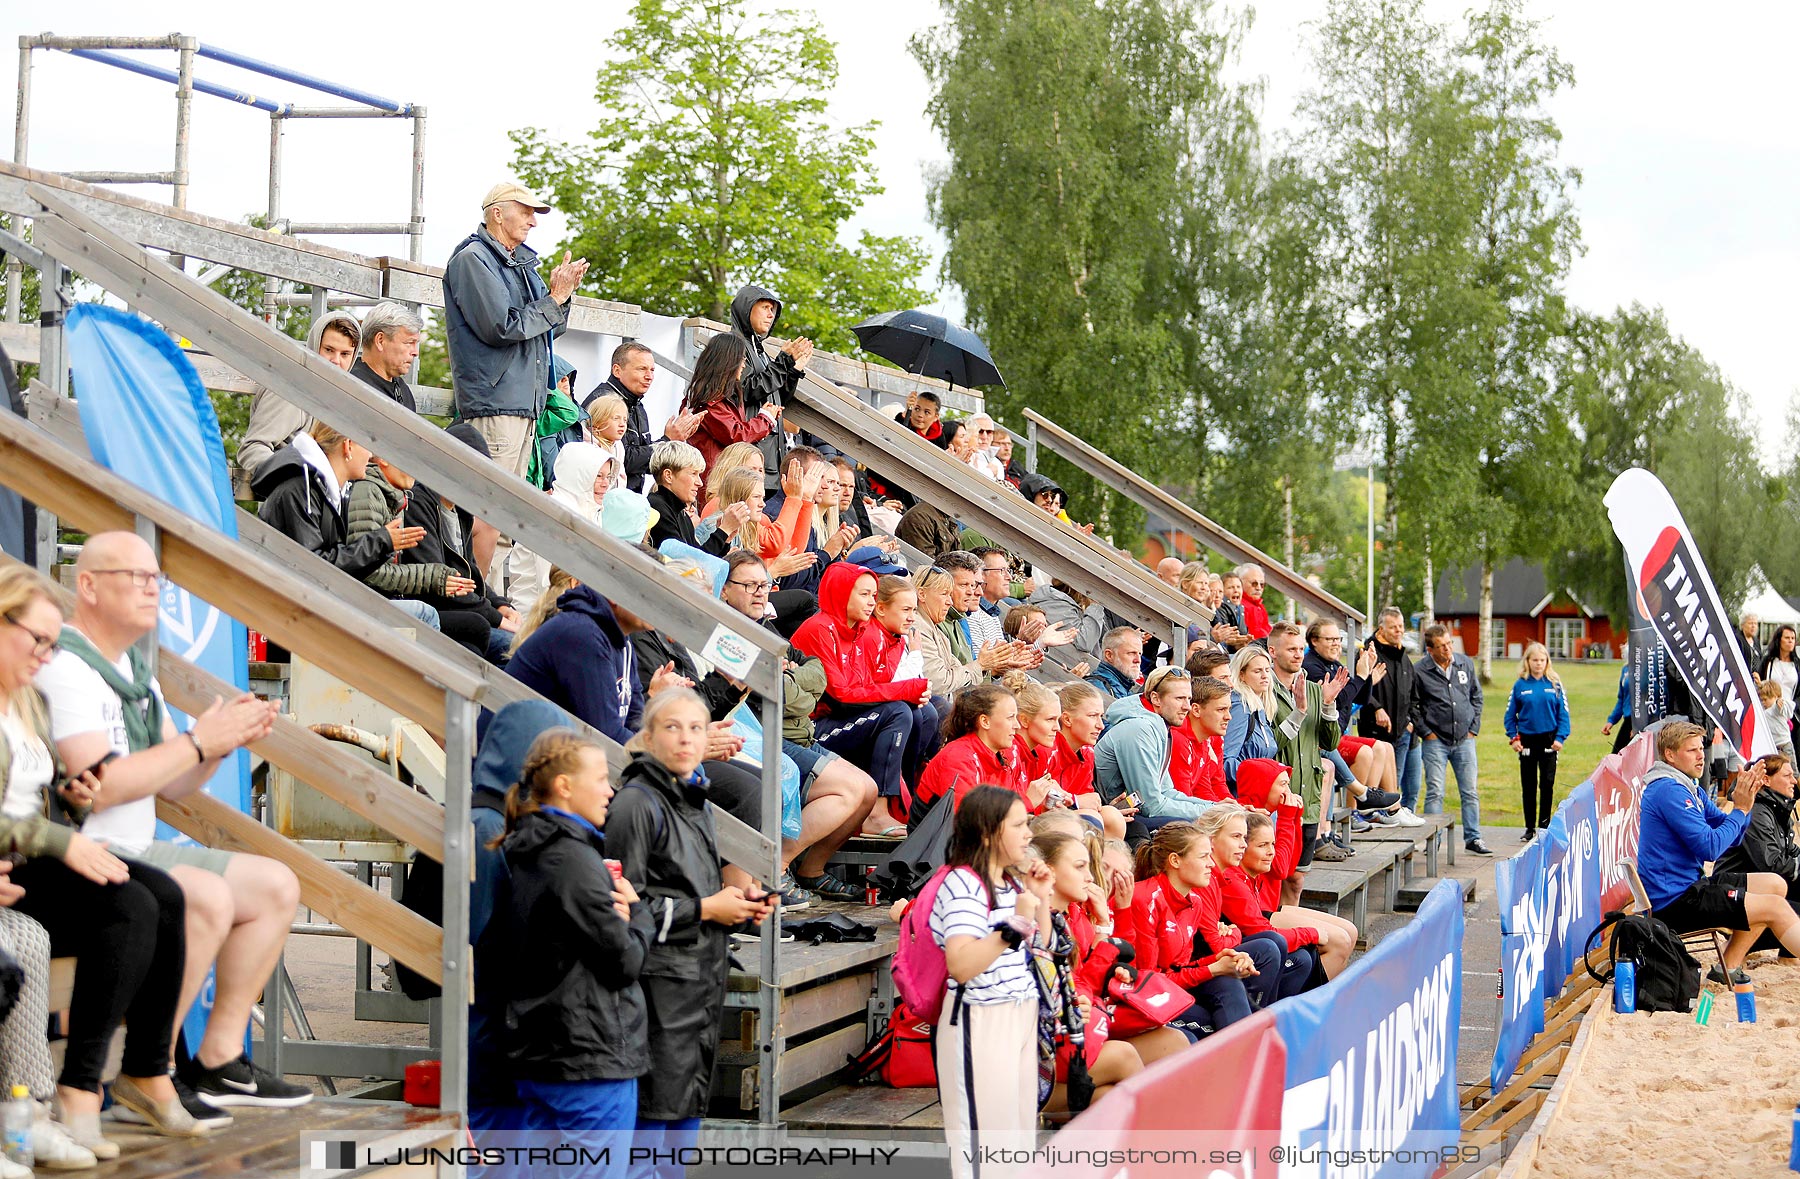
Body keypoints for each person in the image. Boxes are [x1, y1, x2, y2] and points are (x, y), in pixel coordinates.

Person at [31, 534, 310, 1119]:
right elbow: (99, 784)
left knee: (276, 885)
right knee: (201, 894)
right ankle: (148, 1068)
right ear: (88, 585)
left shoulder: (135, 668)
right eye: (136, 576)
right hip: (88, 851)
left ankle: (214, 1059)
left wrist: (216, 746)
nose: (153, 587)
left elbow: (174, 784)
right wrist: (196, 742)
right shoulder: (65, 666)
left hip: (141, 845)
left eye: (156, 577)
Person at [0, 563, 196, 1162]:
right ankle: (78, 1088)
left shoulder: (28, 702)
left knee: (165, 894)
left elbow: (36, 793)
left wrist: (72, 799)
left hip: (24, 858)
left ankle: (143, 1069)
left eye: (53, 645)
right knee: (129, 903)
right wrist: (64, 842)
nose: (45, 655)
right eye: (37, 640)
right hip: (20, 859)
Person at [607, 690, 776, 1170]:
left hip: (699, 981)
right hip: (657, 987)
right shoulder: (635, 804)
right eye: (673, 727)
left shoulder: (695, 800)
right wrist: (706, 908)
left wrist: (740, 908)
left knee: (681, 1124)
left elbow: (694, 892)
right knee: (650, 1127)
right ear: (649, 735)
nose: (685, 739)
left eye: (697, 728)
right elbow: (622, 906)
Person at [490, 729, 649, 1174]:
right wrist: (639, 914)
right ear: (564, 785)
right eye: (600, 778)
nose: (610, 789)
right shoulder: (573, 860)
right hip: (588, 1059)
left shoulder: (521, 846)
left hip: (543, 1051)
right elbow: (625, 962)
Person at [705, 552, 878, 898]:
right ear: (724, 590)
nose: (759, 592)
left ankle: (811, 871)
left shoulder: (764, 625)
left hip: (799, 730)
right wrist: (800, 685)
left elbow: (817, 671)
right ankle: (777, 867)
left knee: (869, 790)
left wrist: (795, 681)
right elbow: (779, 695)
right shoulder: (725, 633)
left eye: (764, 584)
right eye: (749, 585)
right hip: (764, 735)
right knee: (848, 791)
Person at [932, 786, 1047, 1178]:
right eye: (1018, 825)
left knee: (1016, 1141)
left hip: (1019, 1012)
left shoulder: (1011, 883)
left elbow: (1042, 952)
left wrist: (1039, 899)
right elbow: (961, 964)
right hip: (980, 1017)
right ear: (987, 833)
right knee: (984, 1148)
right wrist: (1011, 927)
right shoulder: (962, 883)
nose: (1028, 833)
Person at [443, 183, 583, 484]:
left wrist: (564, 295)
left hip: (523, 405)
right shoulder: (473, 259)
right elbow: (502, 327)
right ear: (497, 214)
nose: (533, 221)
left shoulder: (521, 264)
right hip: (496, 405)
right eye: (526, 212)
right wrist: (554, 299)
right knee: (490, 507)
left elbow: (550, 329)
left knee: (508, 512)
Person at [1637, 722, 1800, 979]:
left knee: (1774, 884)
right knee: (1775, 907)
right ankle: (1732, 964)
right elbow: (1710, 847)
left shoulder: (1688, 786)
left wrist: (1746, 801)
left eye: (1701, 748)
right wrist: (1742, 809)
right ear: (1669, 754)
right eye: (1692, 750)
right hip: (1675, 901)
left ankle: (1728, 966)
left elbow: (1730, 834)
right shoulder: (1668, 790)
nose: (1701, 755)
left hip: (1690, 887)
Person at [792, 567, 936, 832]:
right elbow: (842, 696)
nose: (872, 601)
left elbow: (865, 687)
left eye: (873, 594)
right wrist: (906, 689)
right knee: (898, 712)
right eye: (864, 594)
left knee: (920, 712)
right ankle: (878, 812)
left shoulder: (856, 631)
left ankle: (901, 801)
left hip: (834, 719)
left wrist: (908, 690)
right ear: (842, 594)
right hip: (808, 731)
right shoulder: (821, 628)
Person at [1026, 830, 1146, 1110]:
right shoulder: (1032, 919)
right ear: (1049, 871)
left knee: (1173, 1040)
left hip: (1081, 1028)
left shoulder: (1073, 915)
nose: (1091, 877)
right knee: (1125, 1056)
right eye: (1081, 867)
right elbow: (1078, 983)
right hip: (1039, 1053)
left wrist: (1109, 923)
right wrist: (1105, 929)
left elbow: (1128, 963)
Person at [1128, 822, 1276, 1034]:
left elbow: (1180, 967)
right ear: (1175, 860)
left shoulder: (1194, 901)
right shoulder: (1144, 900)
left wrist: (1222, 960)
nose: (1211, 865)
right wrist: (1212, 968)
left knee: (1229, 980)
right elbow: (1148, 981)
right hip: (1138, 997)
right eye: (1203, 857)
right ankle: (1249, 1048)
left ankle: (1252, 1046)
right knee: (1212, 1022)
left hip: (1169, 986)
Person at [346, 455, 496, 659]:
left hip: (391, 598)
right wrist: (434, 578)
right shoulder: (369, 492)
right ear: (383, 459)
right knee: (477, 630)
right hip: (374, 603)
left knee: (475, 635)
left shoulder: (397, 496)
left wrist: (500, 604)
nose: (416, 468)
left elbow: (471, 571)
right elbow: (369, 570)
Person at [254, 421, 428, 592]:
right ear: (348, 446)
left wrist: (384, 545)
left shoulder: (331, 490)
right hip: (284, 603)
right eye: (367, 446)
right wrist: (380, 542)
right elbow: (313, 568)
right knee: (424, 614)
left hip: (308, 599)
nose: (370, 455)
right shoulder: (300, 488)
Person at [1196, 803, 1316, 1001]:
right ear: (1211, 840)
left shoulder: (1224, 876)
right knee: (1272, 946)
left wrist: (1293, 817)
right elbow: (1220, 944)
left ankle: (1283, 1014)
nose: (1242, 844)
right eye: (1237, 837)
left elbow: (1285, 866)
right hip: (1199, 967)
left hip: (1230, 946)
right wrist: (1233, 931)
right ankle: (1264, 1017)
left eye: (1243, 838)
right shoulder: (1218, 879)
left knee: (1303, 956)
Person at [1267, 622, 1353, 878]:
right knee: (1278, 878)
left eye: (1300, 649)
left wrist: (1327, 706)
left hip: (1310, 798)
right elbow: (1270, 745)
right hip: (1280, 799)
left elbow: (1330, 743)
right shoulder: (1265, 691)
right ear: (1273, 651)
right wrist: (1298, 712)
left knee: (1297, 879)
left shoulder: (1315, 689)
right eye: (1291, 649)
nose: (1297, 654)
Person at [237, 311, 360, 480]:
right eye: (329, 350)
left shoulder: (341, 398)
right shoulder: (291, 388)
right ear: (315, 346)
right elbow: (252, 449)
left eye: (345, 354)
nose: (336, 360)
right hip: (293, 501)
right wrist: (297, 485)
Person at [1096, 667, 1213, 825]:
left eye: (1188, 699)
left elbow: (1166, 792)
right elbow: (1151, 806)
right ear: (1156, 699)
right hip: (1107, 817)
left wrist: (1216, 808)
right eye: (1179, 698)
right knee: (1186, 829)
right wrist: (1213, 814)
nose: (1187, 707)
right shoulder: (1139, 729)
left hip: (1125, 814)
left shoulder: (1159, 726)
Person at [508, 442, 615, 614]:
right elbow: (550, 584)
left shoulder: (587, 508)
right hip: (537, 616)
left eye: (608, 477)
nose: (605, 484)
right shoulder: (554, 514)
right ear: (579, 475)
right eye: (598, 476)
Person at [1412, 625, 1491, 856]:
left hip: (1465, 739)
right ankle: (1433, 840)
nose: (1448, 649)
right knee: (1435, 791)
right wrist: (1426, 732)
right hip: (1435, 739)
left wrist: (1473, 728)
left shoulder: (1464, 663)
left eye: (1449, 644)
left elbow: (1476, 696)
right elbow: (1413, 705)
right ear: (1430, 649)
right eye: (1442, 646)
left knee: (1470, 791)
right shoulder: (1420, 671)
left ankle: (1473, 838)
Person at [1011, 681, 1126, 838]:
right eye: (1093, 716)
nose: (1100, 725)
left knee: (1115, 817)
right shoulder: (1042, 749)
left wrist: (1082, 802)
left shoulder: (1087, 752)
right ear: (1067, 719)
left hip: (1049, 816)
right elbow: (1030, 806)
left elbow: (1086, 800)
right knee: (1097, 819)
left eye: (1101, 716)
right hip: (1030, 824)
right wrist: (1074, 800)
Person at [583, 342, 700, 494]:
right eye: (641, 369)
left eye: (652, 370)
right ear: (617, 370)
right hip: (606, 499)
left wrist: (672, 444)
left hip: (628, 499)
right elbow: (623, 460)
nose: (649, 376)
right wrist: (666, 441)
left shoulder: (637, 404)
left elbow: (643, 462)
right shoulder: (603, 401)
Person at [730, 285, 812, 493]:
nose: (770, 314)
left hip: (771, 461)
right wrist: (782, 362)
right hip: (750, 461)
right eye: (765, 307)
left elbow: (778, 398)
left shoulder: (761, 351)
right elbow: (745, 390)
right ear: (746, 309)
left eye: (773, 310)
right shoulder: (734, 346)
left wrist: (793, 370)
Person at [909, 567, 1034, 700]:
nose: (949, 601)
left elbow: (960, 674)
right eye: (944, 594)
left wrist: (994, 666)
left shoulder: (935, 626)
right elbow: (938, 682)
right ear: (922, 594)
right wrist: (981, 665)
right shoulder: (918, 627)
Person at [913, 685, 1029, 824]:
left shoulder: (1001, 756)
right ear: (985, 721)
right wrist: (1027, 801)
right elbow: (968, 824)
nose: (1017, 725)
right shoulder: (958, 758)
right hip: (937, 843)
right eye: (1010, 717)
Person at [682, 333, 779, 483]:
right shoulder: (708, 402)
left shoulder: (724, 396)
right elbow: (737, 436)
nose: (744, 365)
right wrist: (765, 419)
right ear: (728, 361)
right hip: (713, 482)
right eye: (741, 359)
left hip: (724, 479)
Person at [1503, 642, 1571, 843]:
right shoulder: (1520, 685)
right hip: (1527, 740)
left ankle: (1544, 826)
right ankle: (1530, 827)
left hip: (1549, 739)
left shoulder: (1555, 684)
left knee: (1547, 783)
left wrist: (1560, 738)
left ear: (1547, 662)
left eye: (1542, 660)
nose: (1538, 664)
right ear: (1528, 661)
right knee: (1529, 784)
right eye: (1535, 660)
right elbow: (1510, 716)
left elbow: (1563, 715)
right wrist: (1514, 738)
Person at [1360, 607, 1420, 808]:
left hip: (1403, 730)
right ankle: (1380, 815)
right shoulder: (1369, 653)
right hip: (1377, 732)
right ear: (1381, 629)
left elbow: (1414, 695)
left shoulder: (1404, 657)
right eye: (1393, 627)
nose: (1399, 631)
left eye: (1401, 626)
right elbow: (1359, 686)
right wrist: (1376, 708)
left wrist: (1411, 722)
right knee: (1380, 785)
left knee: (1403, 783)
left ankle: (1398, 813)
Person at [647, 440, 732, 558]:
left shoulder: (683, 515)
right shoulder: (656, 508)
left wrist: (725, 539)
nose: (700, 483)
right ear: (668, 476)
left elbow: (701, 557)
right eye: (693, 474)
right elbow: (688, 562)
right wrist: (724, 530)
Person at [350, 301, 422, 412]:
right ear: (380, 340)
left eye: (416, 344)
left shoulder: (402, 388)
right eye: (409, 343)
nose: (415, 352)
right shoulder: (354, 387)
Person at [1170, 676, 1231, 804]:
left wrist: (1236, 810)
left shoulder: (1203, 740)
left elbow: (1203, 791)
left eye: (1228, 709)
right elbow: (1183, 801)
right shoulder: (1178, 741)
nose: (1228, 717)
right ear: (1196, 710)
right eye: (1221, 710)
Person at [1759, 624, 1799, 749]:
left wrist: (1793, 708)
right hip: (1769, 714)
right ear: (1779, 640)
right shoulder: (1768, 662)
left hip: (1791, 715)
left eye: (1793, 638)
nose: (1790, 641)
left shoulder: (1797, 665)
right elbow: (1761, 684)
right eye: (1787, 638)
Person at [586, 393, 631, 491]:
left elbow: (620, 479)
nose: (622, 425)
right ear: (598, 421)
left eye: (625, 420)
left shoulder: (618, 446)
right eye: (616, 418)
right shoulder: (587, 447)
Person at [1085, 627, 1143, 701]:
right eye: (1131, 653)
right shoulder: (1096, 687)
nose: (1138, 660)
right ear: (1109, 655)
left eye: (1140, 654)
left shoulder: (1127, 690)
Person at [1600, 662, 1633, 755]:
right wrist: (1611, 721)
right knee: (1616, 756)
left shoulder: (1648, 666)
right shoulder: (1626, 669)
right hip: (1628, 721)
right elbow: (1622, 699)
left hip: (1643, 720)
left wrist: (1639, 725)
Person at [1757, 679, 1796, 759]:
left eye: (1765, 700)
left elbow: (1789, 707)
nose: (1763, 702)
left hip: (1784, 745)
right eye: (1762, 700)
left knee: (1791, 769)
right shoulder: (1764, 712)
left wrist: (1779, 702)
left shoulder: (1776, 708)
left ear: (1775, 697)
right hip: (1772, 746)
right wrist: (1758, 684)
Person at [1212, 573, 1251, 651]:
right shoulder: (1221, 609)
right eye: (1231, 587)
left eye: (1238, 587)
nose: (1236, 590)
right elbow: (1225, 639)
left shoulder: (1241, 610)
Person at [1237, 565, 1272, 642]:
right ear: (1240, 583)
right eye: (1254, 583)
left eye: (1262, 584)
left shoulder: (1259, 606)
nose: (1258, 588)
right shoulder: (1241, 606)